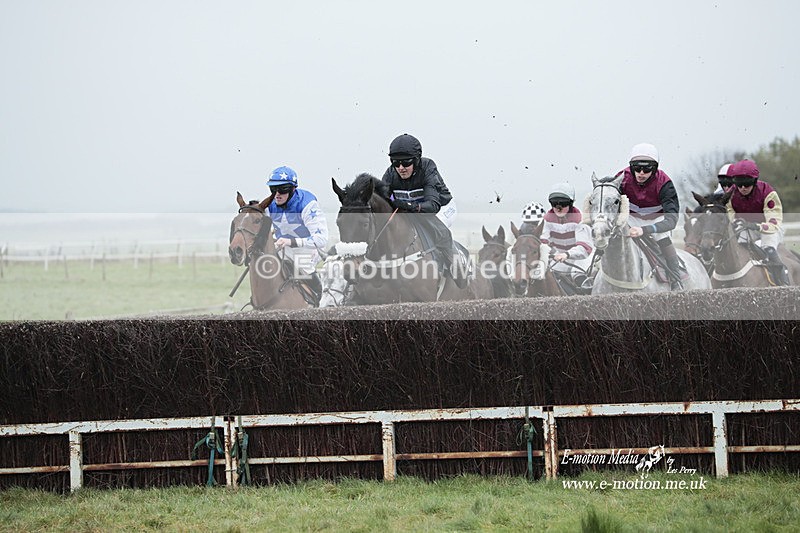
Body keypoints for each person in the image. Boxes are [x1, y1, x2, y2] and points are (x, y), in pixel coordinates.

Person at [380, 133, 465, 288]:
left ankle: (456, 265)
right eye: (396, 162)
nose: (400, 168)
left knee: (439, 231)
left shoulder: (428, 168)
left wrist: (411, 207)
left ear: (416, 159)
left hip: (440, 208)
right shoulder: (390, 173)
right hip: (413, 211)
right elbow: (382, 199)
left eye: (406, 162)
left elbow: (432, 206)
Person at [617, 142, 687, 290]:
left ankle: (676, 280)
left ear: (655, 169)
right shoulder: (622, 178)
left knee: (662, 237)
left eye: (647, 168)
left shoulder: (665, 183)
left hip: (657, 219)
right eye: (637, 168)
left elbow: (671, 221)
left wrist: (646, 229)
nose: (641, 173)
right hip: (631, 217)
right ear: (631, 167)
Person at [266, 165, 329, 302]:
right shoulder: (270, 204)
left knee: (302, 265)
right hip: (284, 247)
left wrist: (291, 242)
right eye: (273, 189)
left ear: (293, 189)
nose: (277, 194)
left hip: (309, 248)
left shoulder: (307, 204)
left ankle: (321, 300)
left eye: (282, 189)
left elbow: (321, 239)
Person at [725, 159, 790, 286]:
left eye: (747, 184)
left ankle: (784, 284)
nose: (743, 188)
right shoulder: (730, 194)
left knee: (769, 249)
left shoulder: (768, 193)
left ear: (754, 181)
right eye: (739, 184)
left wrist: (755, 225)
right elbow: (729, 213)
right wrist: (736, 222)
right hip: (746, 227)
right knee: (738, 247)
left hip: (769, 228)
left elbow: (773, 223)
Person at [540, 183, 595, 290]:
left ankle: (589, 297)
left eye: (563, 204)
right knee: (551, 275)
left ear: (571, 204)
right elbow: (543, 243)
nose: (558, 208)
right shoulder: (547, 220)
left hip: (583, 256)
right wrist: (553, 253)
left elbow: (584, 249)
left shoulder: (580, 220)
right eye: (554, 203)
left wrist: (567, 254)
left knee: (578, 275)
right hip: (561, 256)